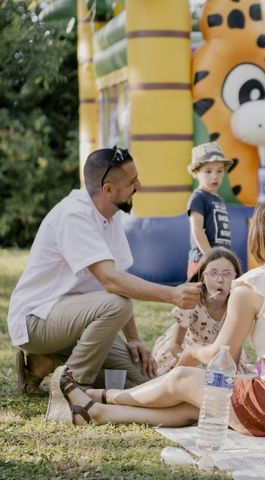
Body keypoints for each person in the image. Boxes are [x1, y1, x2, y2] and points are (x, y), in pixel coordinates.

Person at [45, 200, 265, 436]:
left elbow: (221, 355)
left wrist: (191, 352)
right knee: (198, 403)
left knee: (184, 379)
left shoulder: (254, 284)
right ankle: (96, 412)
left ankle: (102, 395)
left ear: (257, 240)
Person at [7, 146, 202, 396]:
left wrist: (134, 339)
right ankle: (72, 386)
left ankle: (45, 362)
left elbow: (119, 277)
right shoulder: (74, 215)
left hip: (75, 320)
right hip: (37, 320)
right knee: (117, 305)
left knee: (141, 380)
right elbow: (111, 283)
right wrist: (173, 295)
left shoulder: (111, 213)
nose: (139, 185)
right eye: (132, 182)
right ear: (108, 190)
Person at [152, 246, 254, 376]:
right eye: (213, 273)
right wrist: (194, 364)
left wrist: (229, 373)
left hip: (222, 356)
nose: (220, 279)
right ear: (203, 277)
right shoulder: (192, 301)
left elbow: (235, 346)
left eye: (227, 273)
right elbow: (175, 344)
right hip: (188, 351)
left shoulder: (237, 304)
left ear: (236, 277)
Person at [186, 142, 233, 279]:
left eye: (219, 170)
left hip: (221, 260)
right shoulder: (198, 197)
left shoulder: (220, 200)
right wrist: (210, 257)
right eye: (208, 171)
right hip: (203, 260)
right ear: (195, 172)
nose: (215, 176)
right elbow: (197, 230)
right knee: (199, 297)